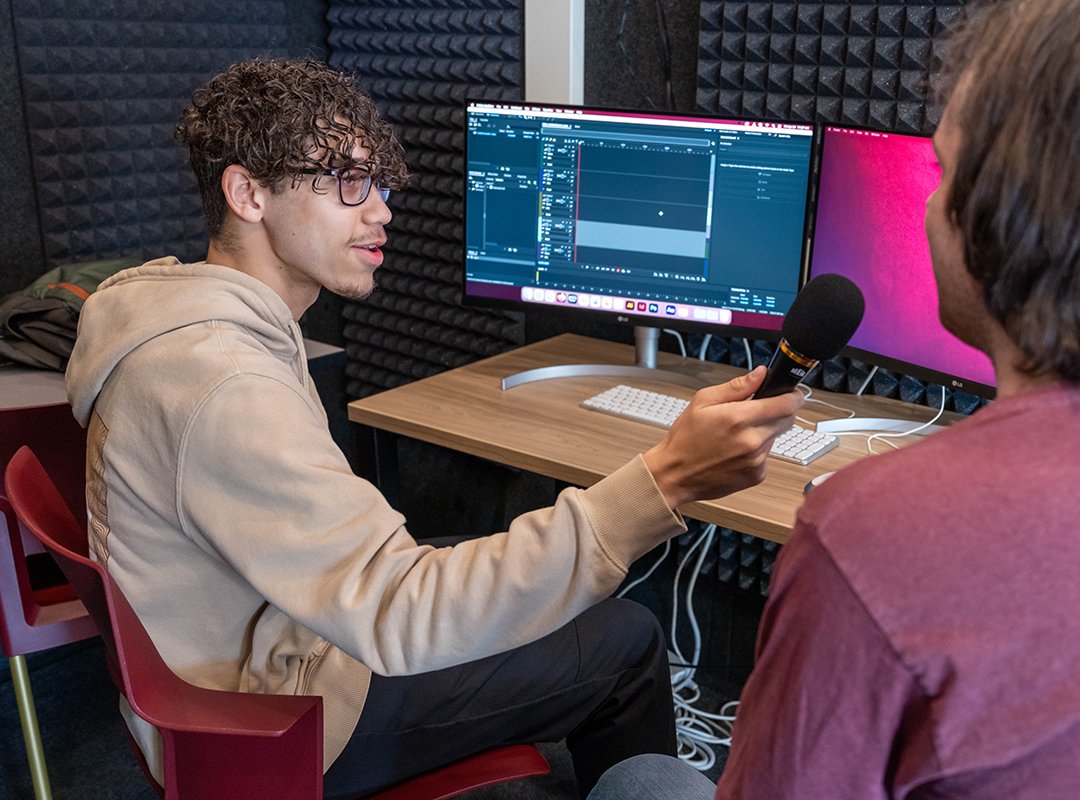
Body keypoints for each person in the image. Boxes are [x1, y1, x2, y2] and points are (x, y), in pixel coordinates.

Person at [63, 58, 803, 798]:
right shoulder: (225, 381)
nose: (380, 208)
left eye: (378, 181)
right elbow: (398, 614)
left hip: (250, 657)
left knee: (514, 577)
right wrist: (664, 478)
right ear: (248, 193)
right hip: (277, 720)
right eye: (348, 181)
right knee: (626, 637)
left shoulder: (187, 323)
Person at [587, 0, 1080, 798]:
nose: (927, 205)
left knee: (642, 778)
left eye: (945, 172)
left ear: (1012, 216)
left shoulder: (874, 529)